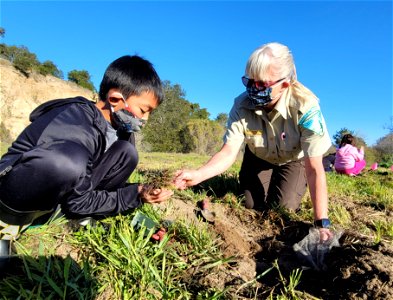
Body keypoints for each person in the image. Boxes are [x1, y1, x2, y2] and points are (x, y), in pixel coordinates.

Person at [0, 55, 173, 258]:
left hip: (65, 198)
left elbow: (97, 189)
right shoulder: (74, 122)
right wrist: (133, 195)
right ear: (116, 99)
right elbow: (72, 188)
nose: (145, 119)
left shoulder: (121, 132)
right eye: (144, 110)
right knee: (66, 163)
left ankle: (77, 218)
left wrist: (141, 193)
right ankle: (7, 223)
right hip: (12, 191)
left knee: (127, 153)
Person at [173, 42, 333, 240]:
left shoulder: (306, 108)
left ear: (284, 85)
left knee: (284, 208)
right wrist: (199, 175)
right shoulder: (241, 105)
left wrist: (321, 222)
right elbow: (229, 151)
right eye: (249, 81)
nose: (253, 88)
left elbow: (314, 167)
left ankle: (289, 185)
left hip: (293, 159)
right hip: (257, 158)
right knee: (251, 205)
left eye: (262, 84)